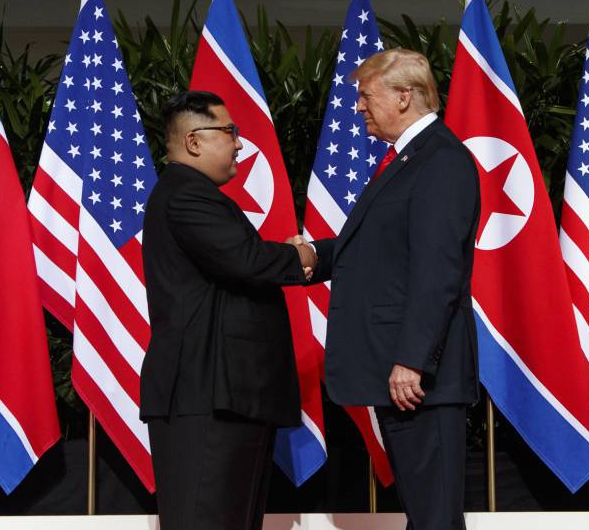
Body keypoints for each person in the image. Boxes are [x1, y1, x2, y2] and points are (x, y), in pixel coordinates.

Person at [296, 48, 481, 529]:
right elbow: (381, 249)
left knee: (435, 516)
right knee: (424, 515)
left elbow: (436, 271)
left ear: (404, 97)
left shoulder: (441, 160)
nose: (358, 106)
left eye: (365, 95)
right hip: (401, 369)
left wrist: (412, 359)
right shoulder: (409, 160)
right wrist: (315, 255)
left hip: (421, 378)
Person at [139, 91, 317, 530]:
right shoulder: (185, 195)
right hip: (206, 396)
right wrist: (312, 256)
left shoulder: (192, 194)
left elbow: (244, 259)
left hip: (226, 396)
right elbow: (248, 260)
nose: (239, 143)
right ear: (195, 141)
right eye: (230, 132)